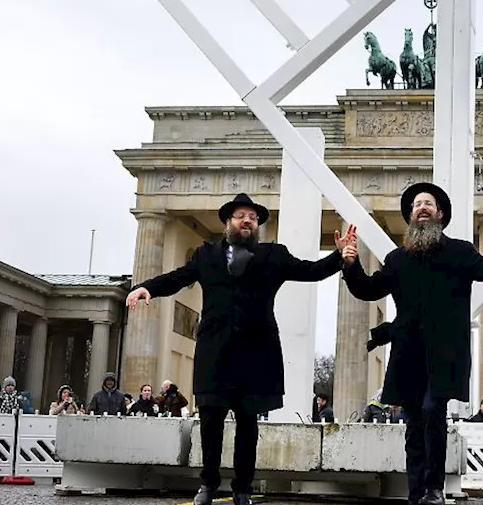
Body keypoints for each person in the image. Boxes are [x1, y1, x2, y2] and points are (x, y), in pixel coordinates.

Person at [125, 192, 359, 505]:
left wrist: (339, 256)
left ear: (258, 223)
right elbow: (178, 278)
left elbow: (309, 270)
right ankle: (207, 486)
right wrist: (147, 287)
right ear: (228, 222)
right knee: (210, 422)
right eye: (240, 216)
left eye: (252, 217)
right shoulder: (206, 254)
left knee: (248, 425)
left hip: (256, 353)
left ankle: (242, 489)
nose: (246, 220)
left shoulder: (274, 256)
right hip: (215, 353)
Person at [341, 182, 483, 505]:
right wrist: (350, 264)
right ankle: (416, 490)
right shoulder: (396, 259)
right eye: (417, 204)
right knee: (413, 423)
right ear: (410, 216)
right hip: (408, 354)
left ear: (440, 214)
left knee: (433, 409)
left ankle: (434, 488)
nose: (422, 207)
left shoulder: (460, 252)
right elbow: (367, 289)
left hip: (445, 354)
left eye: (428, 203)